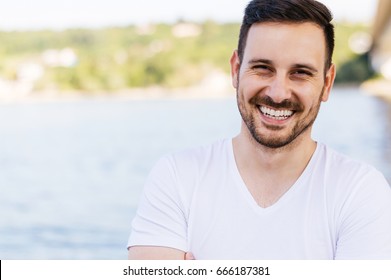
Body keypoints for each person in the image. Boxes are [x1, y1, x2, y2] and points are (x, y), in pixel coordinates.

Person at [127, 0, 391, 260]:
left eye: (300, 73)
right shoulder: (176, 179)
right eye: (263, 68)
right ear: (236, 69)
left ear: (327, 83)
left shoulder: (361, 192)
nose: (278, 94)